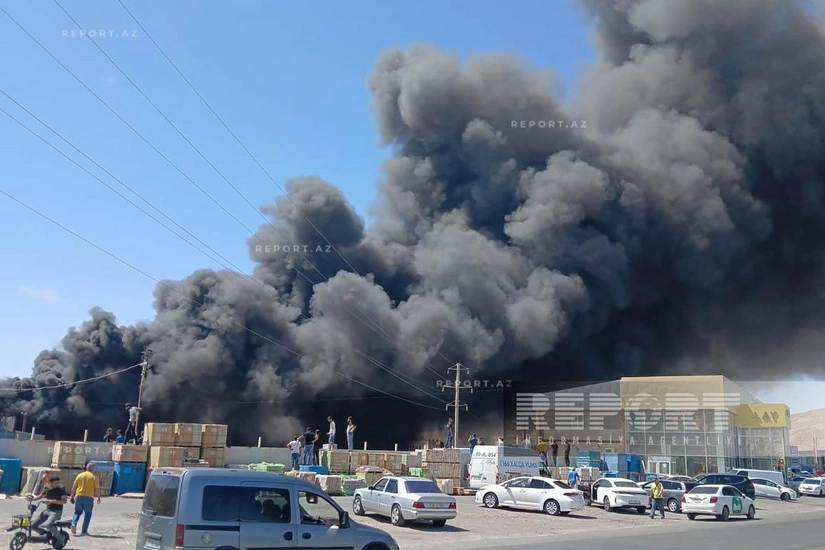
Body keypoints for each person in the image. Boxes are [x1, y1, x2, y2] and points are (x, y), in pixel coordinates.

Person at [29, 475, 68, 542]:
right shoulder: (47, 487)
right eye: (55, 483)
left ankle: (61, 539)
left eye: (58, 483)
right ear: (50, 483)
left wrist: (50, 501)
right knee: (32, 526)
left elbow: (64, 501)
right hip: (48, 510)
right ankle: (47, 534)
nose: (57, 485)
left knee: (48, 525)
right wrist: (32, 499)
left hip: (57, 511)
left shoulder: (61, 488)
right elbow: (41, 496)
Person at [70, 462, 101, 536]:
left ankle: (74, 523)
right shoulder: (94, 476)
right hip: (89, 497)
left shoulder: (80, 475)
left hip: (79, 495)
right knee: (88, 514)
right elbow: (97, 488)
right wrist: (99, 497)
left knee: (77, 512)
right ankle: (84, 531)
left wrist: (72, 496)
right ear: (93, 468)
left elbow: (74, 486)